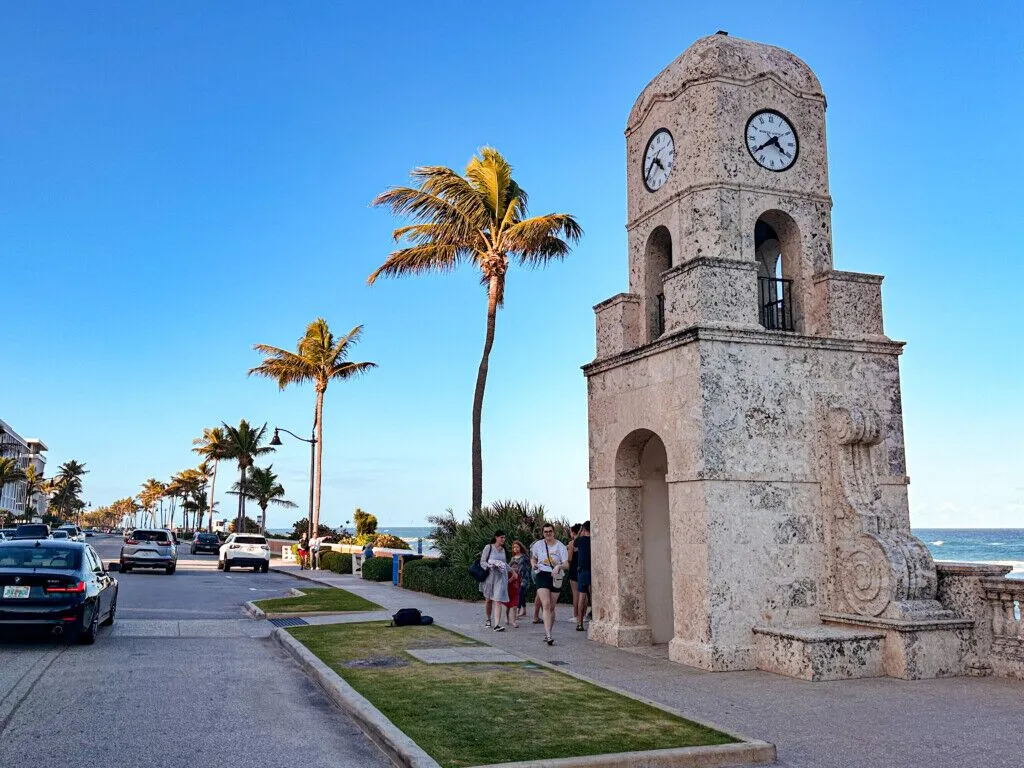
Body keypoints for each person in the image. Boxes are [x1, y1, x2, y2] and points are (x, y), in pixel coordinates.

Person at [530, 524, 569, 646]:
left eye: (550, 531)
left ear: (554, 532)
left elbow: (566, 564)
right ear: (543, 533)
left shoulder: (561, 546)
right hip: (542, 574)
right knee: (545, 604)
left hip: (556, 576)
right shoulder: (538, 545)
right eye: (545, 531)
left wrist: (559, 566)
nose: (548, 533)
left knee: (551, 607)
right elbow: (533, 558)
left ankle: (549, 631)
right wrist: (533, 564)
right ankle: (548, 635)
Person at [479, 531, 509, 631]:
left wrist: (512, 571)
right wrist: (491, 565)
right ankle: (488, 619)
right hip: (489, 578)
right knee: (488, 600)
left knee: (498, 600)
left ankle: (497, 625)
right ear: (496, 537)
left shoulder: (503, 550)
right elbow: (482, 561)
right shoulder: (489, 547)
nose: (503, 539)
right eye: (501, 537)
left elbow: (504, 564)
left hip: (500, 578)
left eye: (504, 537)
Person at [574, 521, 592, 631]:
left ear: (584, 530)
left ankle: (579, 623)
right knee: (594, 597)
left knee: (582, 597)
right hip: (594, 570)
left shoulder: (580, 540)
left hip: (582, 571)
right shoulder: (595, 540)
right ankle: (597, 620)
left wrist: (579, 531)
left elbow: (574, 543)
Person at [509, 540, 531, 619]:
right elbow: (510, 568)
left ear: (520, 548)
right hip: (516, 579)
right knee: (521, 594)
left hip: (524, 578)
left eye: (517, 547)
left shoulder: (524, 557)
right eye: (514, 547)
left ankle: (518, 610)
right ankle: (524, 610)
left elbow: (530, 563)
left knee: (520, 592)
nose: (515, 548)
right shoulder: (512, 558)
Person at [566, 524, 581, 622]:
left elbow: (569, 558)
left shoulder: (572, 543)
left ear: (573, 532)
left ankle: (576, 615)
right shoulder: (585, 542)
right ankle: (582, 615)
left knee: (575, 593)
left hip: (573, 568)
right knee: (583, 593)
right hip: (582, 568)